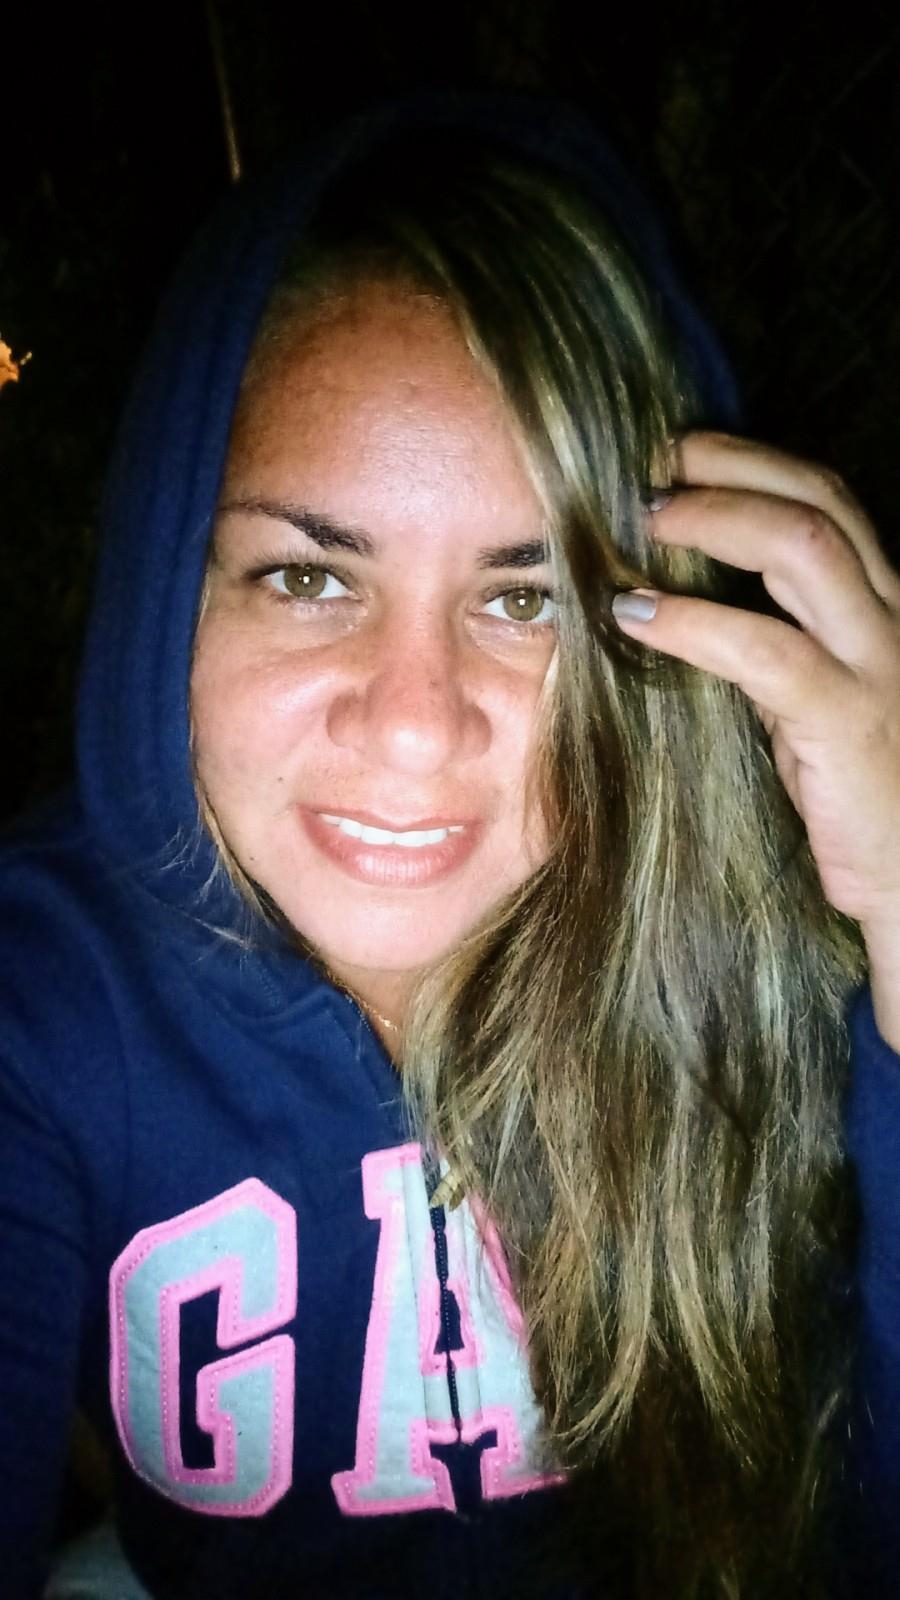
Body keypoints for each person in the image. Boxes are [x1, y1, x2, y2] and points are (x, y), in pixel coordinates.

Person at [1, 90, 899, 1600]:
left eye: (525, 598)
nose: (414, 727)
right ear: (167, 578)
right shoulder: (42, 1000)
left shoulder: (783, 958)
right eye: (307, 577)